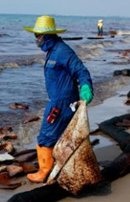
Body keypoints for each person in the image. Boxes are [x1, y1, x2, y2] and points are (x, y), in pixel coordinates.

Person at [23, 15, 94, 183]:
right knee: (60, 136)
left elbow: (81, 71)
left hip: (61, 104)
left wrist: (86, 87)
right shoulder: (52, 50)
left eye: (38, 36)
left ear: (47, 36)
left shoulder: (62, 51)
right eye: (35, 36)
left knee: (45, 137)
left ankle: (44, 172)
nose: (36, 40)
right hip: (60, 101)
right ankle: (58, 166)